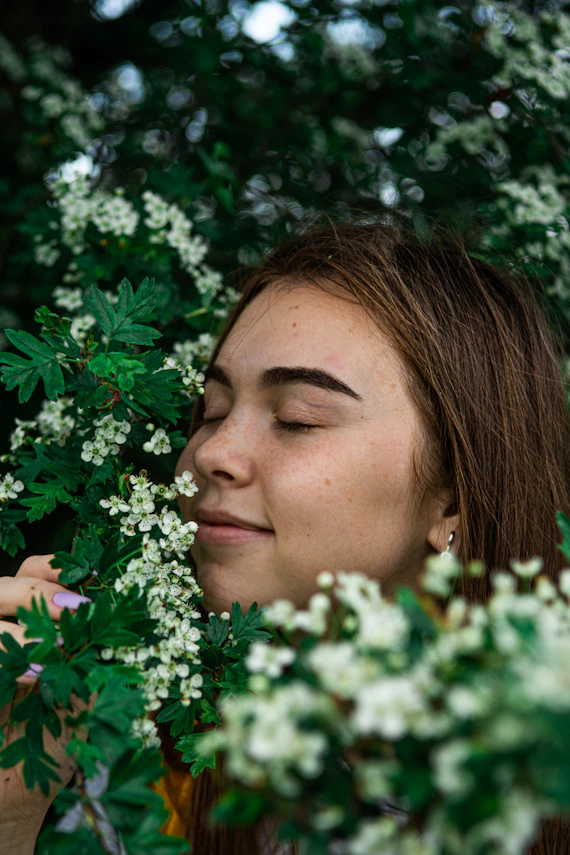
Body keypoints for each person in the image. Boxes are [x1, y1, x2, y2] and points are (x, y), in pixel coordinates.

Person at [1, 215, 570, 855]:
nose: (213, 451)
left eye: (298, 419)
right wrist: (10, 817)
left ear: (455, 498)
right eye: (211, 410)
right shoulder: (137, 736)